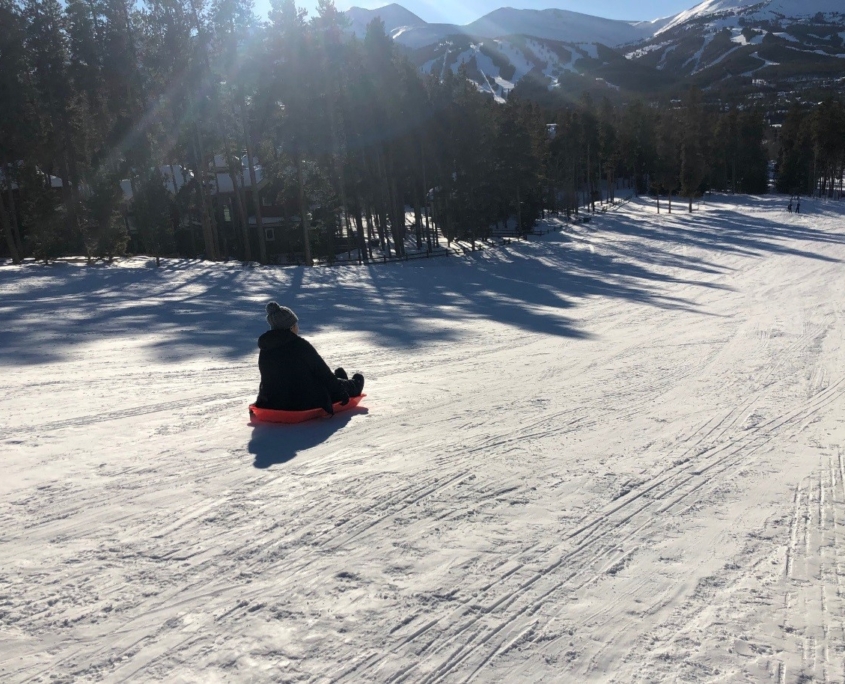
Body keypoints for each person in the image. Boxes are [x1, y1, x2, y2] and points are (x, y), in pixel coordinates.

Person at [254, 302, 364, 414]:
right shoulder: (300, 345)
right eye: (296, 324)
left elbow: (268, 380)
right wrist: (340, 393)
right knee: (338, 383)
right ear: (291, 327)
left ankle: (341, 380)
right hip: (303, 402)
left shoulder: (265, 349)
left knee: (326, 380)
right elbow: (323, 373)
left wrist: (261, 401)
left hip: (273, 403)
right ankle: (352, 385)